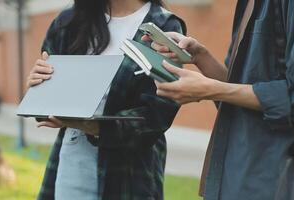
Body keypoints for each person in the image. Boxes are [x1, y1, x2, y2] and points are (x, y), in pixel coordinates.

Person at [144, 0, 294, 199]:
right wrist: (201, 56)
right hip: (233, 172)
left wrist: (213, 90)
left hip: (272, 178)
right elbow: (238, 93)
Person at [27, 0, 186, 199]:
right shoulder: (70, 20)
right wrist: (40, 85)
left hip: (132, 165)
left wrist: (96, 127)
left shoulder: (164, 26)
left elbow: (159, 111)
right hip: (75, 153)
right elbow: (47, 98)